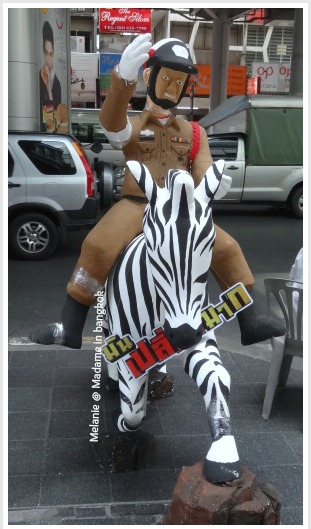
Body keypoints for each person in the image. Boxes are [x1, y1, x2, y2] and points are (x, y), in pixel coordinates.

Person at [30, 34, 286, 351]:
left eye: (178, 83)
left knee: (227, 247)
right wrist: (122, 81)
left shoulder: (193, 131)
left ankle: (251, 318)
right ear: (150, 76)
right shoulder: (134, 126)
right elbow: (111, 125)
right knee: (98, 244)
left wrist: (212, 181)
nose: (171, 88)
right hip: (138, 203)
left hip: (180, 210)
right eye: (166, 78)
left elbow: (203, 163)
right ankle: (69, 325)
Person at [39, 20, 62, 130]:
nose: (48, 60)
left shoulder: (56, 84)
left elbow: (52, 122)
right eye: (45, 53)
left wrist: (49, 91)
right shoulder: (39, 77)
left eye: (50, 54)